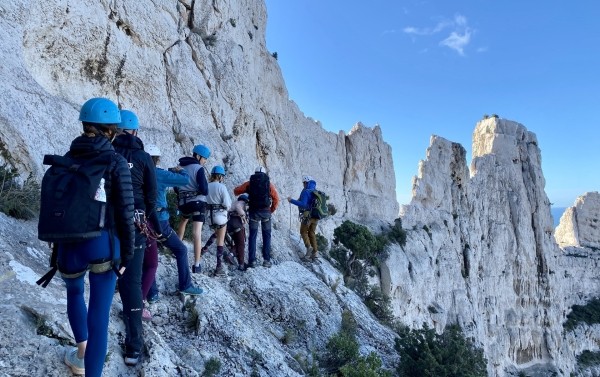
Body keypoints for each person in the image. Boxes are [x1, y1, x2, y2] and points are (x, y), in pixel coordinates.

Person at [58, 97, 135, 376]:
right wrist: (127, 253)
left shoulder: (66, 158)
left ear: (84, 124)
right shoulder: (115, 161)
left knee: (75, 292)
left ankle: (80, 355)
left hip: (69, 244)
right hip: (102, 244)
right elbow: (126, 211)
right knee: (99, 315)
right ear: (112, 130)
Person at [112, 109, 163, 366]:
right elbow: (152, 195)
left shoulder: (107, 153)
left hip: (107, 222)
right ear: (134, 131)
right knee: (131, 281)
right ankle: (133, 348)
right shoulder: (143, 158)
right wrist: (142, 215)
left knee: (106, 273)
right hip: (135, 222)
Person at [142, 145, 203, 321]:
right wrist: (180, 171)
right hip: (160, 220)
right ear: (158, 159)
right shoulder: (159, 173)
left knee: (149, 256)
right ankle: (185, 284)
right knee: (181, 250)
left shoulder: (140, 172)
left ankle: (152, 293)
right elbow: (183, 181)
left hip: (143, 219)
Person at [233, 166, 279, 268]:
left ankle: (252, 261)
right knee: (266, 236)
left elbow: (236, 191)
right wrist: (271, 210)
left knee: (253, 236)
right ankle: (266, 260)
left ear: (255, 173)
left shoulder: (250, 183)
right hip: (266, 212)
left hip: (254, 212)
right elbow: (276, 199)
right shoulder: (269, 184)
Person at [176, 144, 210, 273]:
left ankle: (177, 249)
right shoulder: (198, 168)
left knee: (183, 221)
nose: (205, 161)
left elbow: (176, 186)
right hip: (197, 203)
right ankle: (196, 265)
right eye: (205, 158)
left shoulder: (180, 166)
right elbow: (204, 190)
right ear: (198, 156)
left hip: (184, 202)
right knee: (197, 232)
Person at [205, 165, 232, 276]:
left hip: (209, 217)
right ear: (221, 177)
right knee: (220, 240)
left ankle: (204, 248)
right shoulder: (222, 187)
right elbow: (227, 204)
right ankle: (218, 267)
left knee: (217, 233)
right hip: (220, 216)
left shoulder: (206, 186)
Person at [287, 175, 320, 261]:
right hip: (316, 217)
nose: (303, 185)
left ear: (306, 182)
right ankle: (315, 254)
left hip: (308, 216)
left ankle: (309, 250)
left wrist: (292, 200)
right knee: (312, 233)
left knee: (303, 231)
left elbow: (303, 204)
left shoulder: (306, 191)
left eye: (304, 183)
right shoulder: (315, 190)